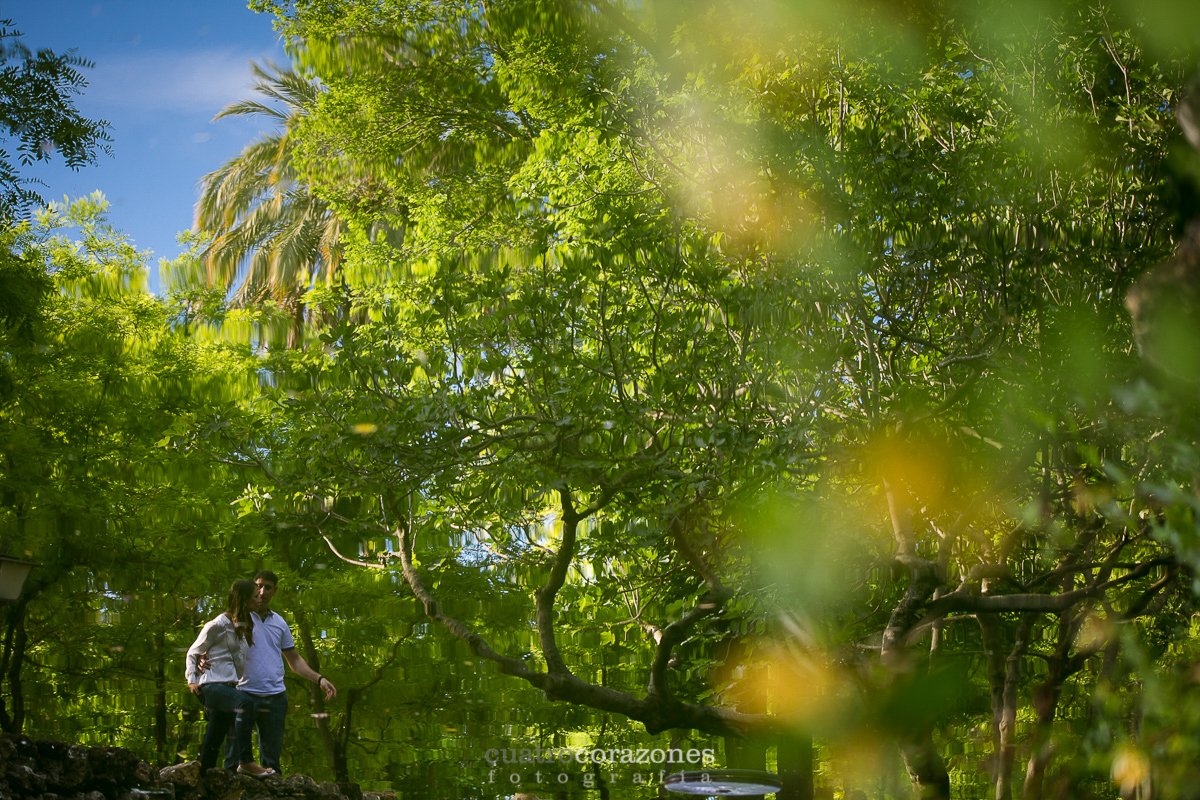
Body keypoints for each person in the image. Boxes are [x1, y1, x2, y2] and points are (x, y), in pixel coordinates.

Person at [221, 569, 337, 775]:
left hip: (275, 698)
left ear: (275, 591)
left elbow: (294, 660)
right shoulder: (238, 617)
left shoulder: (279, 622)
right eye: (258, 586)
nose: (262, 591)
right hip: (242, 694)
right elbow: (214, 643)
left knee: (272, 764)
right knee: (233, 759)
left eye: (268, 587)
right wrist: (201, 661)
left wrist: (319, 679)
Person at [185, 580, 276, 778]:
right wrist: (192, 679)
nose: (259, 597)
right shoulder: (217, 625)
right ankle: (245, 761)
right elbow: (193, 652)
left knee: (214, 737)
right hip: (211, 685)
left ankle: (202, 776)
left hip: (228, 687)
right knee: (245, 703)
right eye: (254, 596)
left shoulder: (242, 627)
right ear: (243, 599)